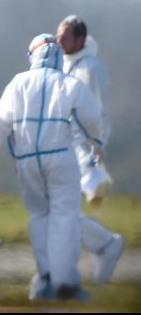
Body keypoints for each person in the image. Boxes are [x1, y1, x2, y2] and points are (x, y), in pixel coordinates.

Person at [0, 34, 103, 301]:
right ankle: (65, 283)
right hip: (60, 158)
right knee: (64, 217)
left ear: (33, 55)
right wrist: (97, 144)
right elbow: (92, 119)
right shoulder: (70, 84)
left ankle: (43, 278)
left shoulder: (17, 82)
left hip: (26, 159)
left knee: (38, 216)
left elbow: (0, 123)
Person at [56, 16, 124, 286]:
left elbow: (101, 115)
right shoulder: (66, 65)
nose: (59, 40)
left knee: (60, 209)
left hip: (80, 153)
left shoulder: (92, 69)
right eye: (58, 35)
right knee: (59, 209)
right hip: (63, 149)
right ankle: (103, 246)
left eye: (65, 37)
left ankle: (106, 245)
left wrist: (95, 155)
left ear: (81, 39)